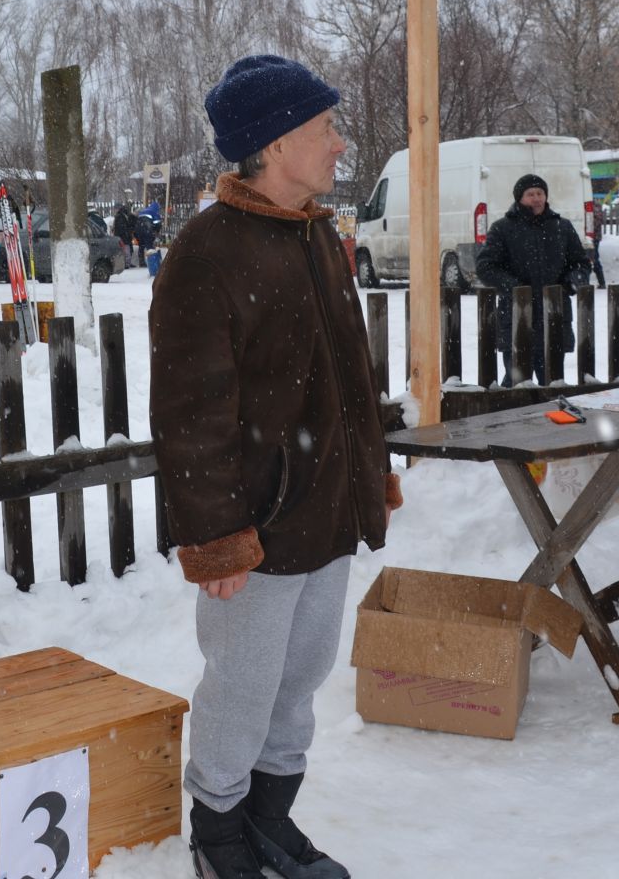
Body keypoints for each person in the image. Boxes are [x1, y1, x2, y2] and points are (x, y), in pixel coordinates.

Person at [151, 54, 399, 879]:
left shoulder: (320, 236)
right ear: (276, 141)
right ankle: (219, 837)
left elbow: (352, 377)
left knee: (300, 683)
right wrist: (216, 535)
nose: (338, 143)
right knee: (243, 688)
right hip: (254, 528)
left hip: (327, 511)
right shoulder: (205, 252)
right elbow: (191, 415)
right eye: (325, 128)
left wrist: (372, 472)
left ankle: (267, 822)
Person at [476, 173, 591, 386]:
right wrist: (515, 288)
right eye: (530, 194)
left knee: (553, 381)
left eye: (540, 193)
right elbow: (485, 266)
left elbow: (581, 263)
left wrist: (571, 282)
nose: (536, 198)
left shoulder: (562, 227)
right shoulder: (503, 228)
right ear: (519, 198)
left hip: (554, 315)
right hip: (517, 316)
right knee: (516, 381)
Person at [111, 200, 138, 267]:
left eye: (115, 208)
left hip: (123, 236)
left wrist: (121, 233)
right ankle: (126, 263)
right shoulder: (124, 214)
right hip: (125, 235)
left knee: (125, 249)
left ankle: (126, 263)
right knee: (127, 249)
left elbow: (121, 227)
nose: (115, 210)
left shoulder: (120, 215)